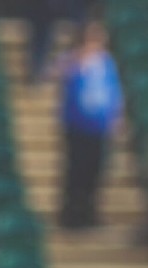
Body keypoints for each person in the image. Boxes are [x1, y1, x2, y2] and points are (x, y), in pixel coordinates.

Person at [58, 20, 123, 229]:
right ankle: (71, 213)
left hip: (99, 127)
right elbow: (58, 76)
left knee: (95, 171)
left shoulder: (107, 63)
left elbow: (113, 93)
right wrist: (78, 61)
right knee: (76, 170)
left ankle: (89, 212)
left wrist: (116, 118)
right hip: (77, 127)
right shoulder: (73, 60)